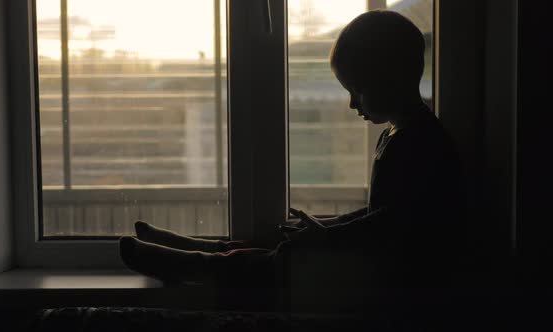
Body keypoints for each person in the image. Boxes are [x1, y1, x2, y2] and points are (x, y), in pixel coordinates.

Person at [119, 10, 464, 293]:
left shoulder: (422, 142)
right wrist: (329, 226)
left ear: (392, 77)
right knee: (286, 236)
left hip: (389, 278)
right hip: (375, 263)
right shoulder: (402, 133)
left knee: (279, 261)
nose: (351, 103)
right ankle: (207, 250)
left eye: (357, 90)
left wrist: (330, 235)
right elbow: (382, 214)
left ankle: (193, 264)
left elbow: (394, 220)